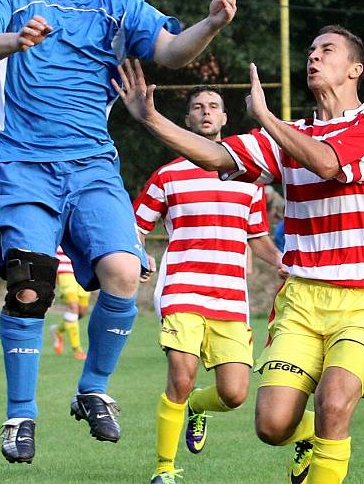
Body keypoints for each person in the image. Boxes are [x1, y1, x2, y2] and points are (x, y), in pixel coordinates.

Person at [0, 0, 237, 465]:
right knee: (31, 282)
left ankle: (93, 389)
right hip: (22, 166)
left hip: (91, 166)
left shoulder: (117, 2)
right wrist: (14, 41)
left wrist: (209, 24)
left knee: (124, 271)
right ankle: (19, 415)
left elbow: (169, 51)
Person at [112, 24, 364, 484]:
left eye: (326, 50)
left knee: (333, 403)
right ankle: (302, 448)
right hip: (301, 300)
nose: (313, 57)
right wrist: (151, 119)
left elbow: (327, 162)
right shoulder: (288, 136)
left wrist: (268, 119)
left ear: (355, 69)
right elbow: (215, 156)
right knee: (272, 426)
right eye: (311, 50)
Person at [132, 85, 283, 484]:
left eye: (214, 106)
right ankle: (164, 469)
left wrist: (285, 264)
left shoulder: (249, 181)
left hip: (231, 298)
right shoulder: (168, 175)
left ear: (224, 118)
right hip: (181, 289)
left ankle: (198, 407)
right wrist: (138, 254)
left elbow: (259, 239)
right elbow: (135, 227)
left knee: (234, 395)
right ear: (186, 121)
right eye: (197, 107)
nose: (206, 112)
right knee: (181, 377)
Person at [50, 247, 91, 361]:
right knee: (73, 307)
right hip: (64, 270)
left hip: (83, 270)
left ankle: (57, 330)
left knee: (82, 311)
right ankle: (77, 349)